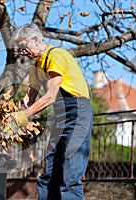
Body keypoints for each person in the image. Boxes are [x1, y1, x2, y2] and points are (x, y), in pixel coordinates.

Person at [10, 23, 94, 200]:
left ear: (35, 39)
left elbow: (50, 97)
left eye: (23, 47)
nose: (22, 52)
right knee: (49, 174)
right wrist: (11, 118)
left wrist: (25, 115)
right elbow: (27, 99)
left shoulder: (56, 55)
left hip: (78, 111)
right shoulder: (37, 67)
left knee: (70, 175)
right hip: (62, 116)